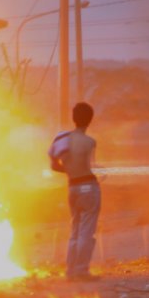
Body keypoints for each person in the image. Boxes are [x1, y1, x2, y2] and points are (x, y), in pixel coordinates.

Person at [48, 102, 100, 281]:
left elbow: (54, 166)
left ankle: (70, 270)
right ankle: (81, 270)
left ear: (73, 118)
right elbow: (91, 166)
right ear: (90, 120)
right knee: (87, 230)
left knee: (75, 228)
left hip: (72, 187)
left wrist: (69, 171)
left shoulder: (62, 140)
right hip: (88, 186)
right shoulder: (90, 142)